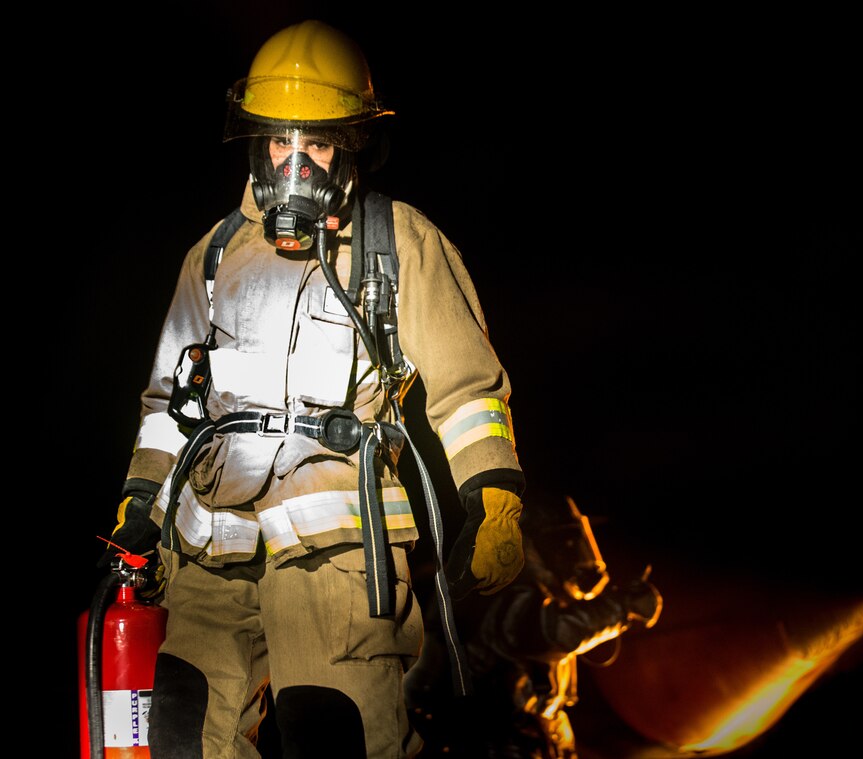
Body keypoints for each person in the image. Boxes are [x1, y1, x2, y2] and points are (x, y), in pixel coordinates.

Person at [99, 19, 527, 758]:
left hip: (336, 562)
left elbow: (467, 388)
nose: (295, 164)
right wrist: (141, 497)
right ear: (257, 142)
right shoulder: (215, 255)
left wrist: (492, 494)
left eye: (318, 143)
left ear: (354, 144)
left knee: (336, 736)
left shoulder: (398, 244)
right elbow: (169, 404)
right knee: (178, 735)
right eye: (279, 140)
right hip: (208, 551)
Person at [404, 495, 663, 758]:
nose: (577, 557)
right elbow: (550, 633)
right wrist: (620, 607)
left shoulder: (528, 588)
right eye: (565, 545)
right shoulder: (500, 585)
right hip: (496, 742)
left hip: (526, 738)